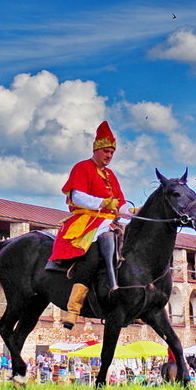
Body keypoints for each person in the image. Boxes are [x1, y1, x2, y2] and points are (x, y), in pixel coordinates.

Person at [46, 121, 136, 329]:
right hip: (86, 222)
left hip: (109, 223)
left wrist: (131, 212)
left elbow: (119, 204)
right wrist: (103, 202)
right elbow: (77, 197)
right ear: (96, 149)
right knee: (92, 257)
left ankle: (130, 305)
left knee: (128, 255)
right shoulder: (82, 167)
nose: (109, 156)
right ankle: (73, 309)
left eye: (112, 153)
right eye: (106, 151)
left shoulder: (111, 175)